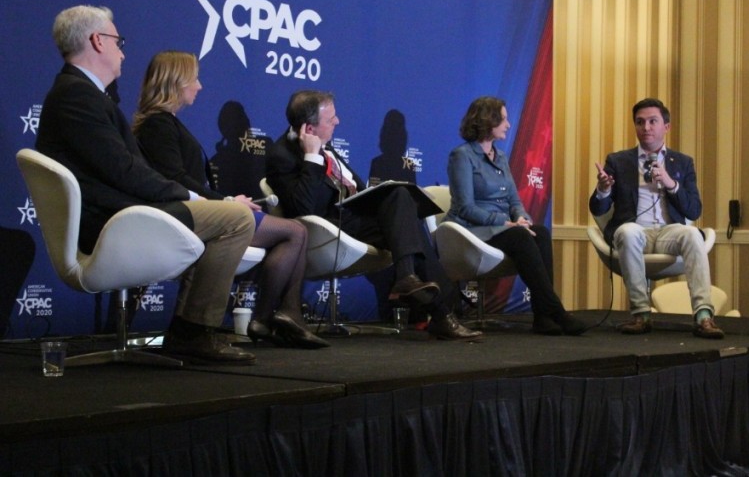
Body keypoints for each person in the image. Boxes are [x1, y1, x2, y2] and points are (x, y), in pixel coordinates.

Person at [35, 5, 256, 365]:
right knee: (236, 219)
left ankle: (190, 331)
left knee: (232, 216)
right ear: (97, 41)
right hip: (111, 220)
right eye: (118, 41)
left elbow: (124, 168)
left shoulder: (84, 95)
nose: (123, 51)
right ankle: (192, 333)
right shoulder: (76, 95)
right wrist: (188, 195)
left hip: (124, 212)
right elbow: (125, 171)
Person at [132, 51, 328, 349]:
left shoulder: (166, 123)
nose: (199, 86)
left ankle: (283, 315)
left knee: (295, 233)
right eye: (194, 79)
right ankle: (271, 316)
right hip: (188, 215)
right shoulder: (157, 125)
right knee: (295, 231)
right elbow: (175, 179)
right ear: (176, 82)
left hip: (201, 210)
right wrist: (226, 202)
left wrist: (225, 200)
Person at [265, 90, 482, 341]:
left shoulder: (328, 147)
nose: (338, 122)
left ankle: (409, 280)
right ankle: (442, 313)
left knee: (401, 199)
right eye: (331, 118)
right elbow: (303, 208)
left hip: (354, 217)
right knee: (409, 226)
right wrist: (312, 156)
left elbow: (357, 187)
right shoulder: (282, 155)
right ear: (309, 128)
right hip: (328, 229)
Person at [444, 96, 588, 336]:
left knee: (540, 232)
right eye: (503, 119)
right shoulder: (462, 156)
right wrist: (505, 222)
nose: (508, 125)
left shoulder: (500, 156)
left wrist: (521, 217)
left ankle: (542, 317)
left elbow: (514, 199)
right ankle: (556, 310)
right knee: (520, 237)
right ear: (487, 121)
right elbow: (465, 208)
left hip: (503, 228)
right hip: (471, 231)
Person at [589, 97, 724, 339]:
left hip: (667, 232)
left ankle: (704, 316)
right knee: (628, 232)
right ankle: (641, 314)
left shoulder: (682, 162)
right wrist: (603, 189)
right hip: (634, 231)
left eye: (653, 121)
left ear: (666, 126)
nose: (646, 128)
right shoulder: (618, 161)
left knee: (693, 233)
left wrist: (671, 183)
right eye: (640, 122)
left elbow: (694, 210)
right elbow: (597, 208)